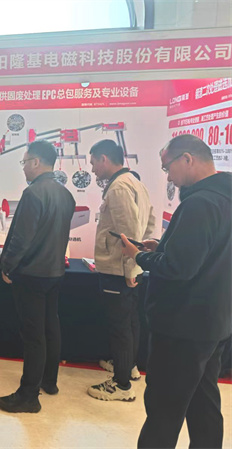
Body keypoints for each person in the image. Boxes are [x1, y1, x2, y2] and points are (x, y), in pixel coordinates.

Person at [120, 134, 231, 448]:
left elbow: (178, 268)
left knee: (163, 410)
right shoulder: (224, 197)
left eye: (168, 167)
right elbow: (206, 253)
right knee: (203, 404)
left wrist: (139, 256)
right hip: (214, 322)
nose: (168, 177)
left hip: (182, 326)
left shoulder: (199, 203)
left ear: (188, 159)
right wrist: (163, 247)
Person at [0, 140, 75, 413]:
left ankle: (29, 395)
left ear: (36, 162)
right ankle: (48, 381)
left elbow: (21, 239)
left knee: (33, 335)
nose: (24, 168)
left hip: (31, 273)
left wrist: (7, 266)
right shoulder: (66, 194)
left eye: (25, 162)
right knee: (51, 327)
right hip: (54, 271)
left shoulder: (33, 194)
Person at [87, 140, 155, 402]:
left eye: (93, 162)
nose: (92, 169)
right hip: (129, 266)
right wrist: (138, 264)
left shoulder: (118, 187)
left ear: (104, 159)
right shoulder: (135, 182)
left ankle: (121, 384)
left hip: (118, 268)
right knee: (130, 320)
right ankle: (128, 366)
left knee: (120, 326)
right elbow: (148, 225)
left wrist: (130, 269)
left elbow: (129, 233)